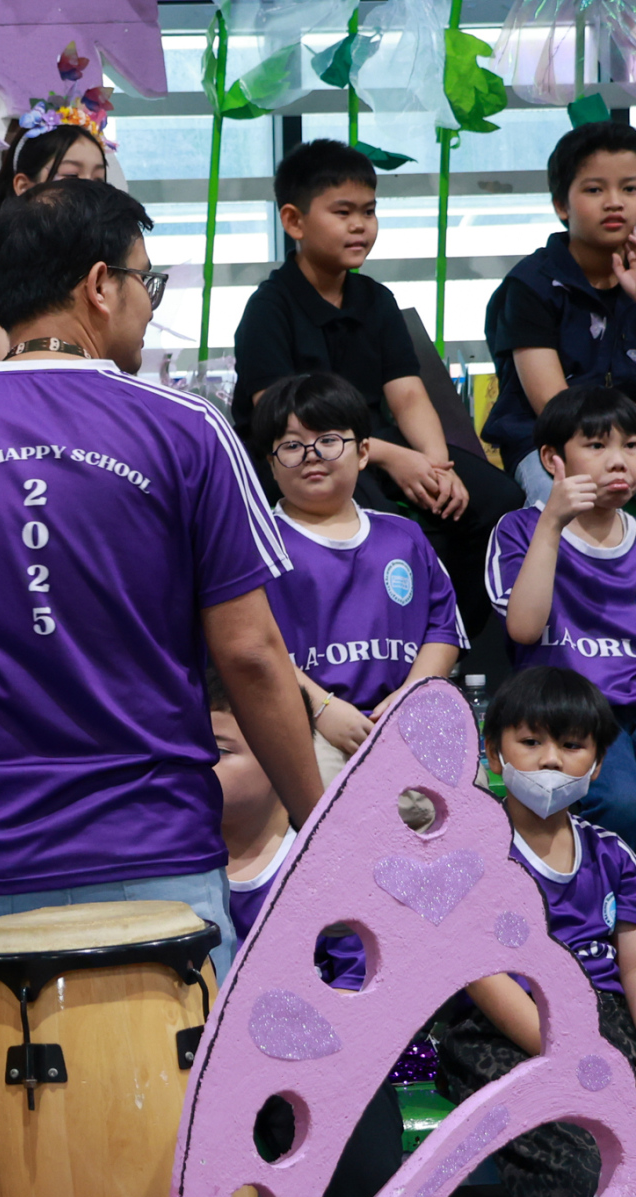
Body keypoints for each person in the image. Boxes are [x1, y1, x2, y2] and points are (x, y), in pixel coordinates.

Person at [0, 178, 324, 972]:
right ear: (100, 285)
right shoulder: (187, 432)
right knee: (173, 1062)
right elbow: (252, 655)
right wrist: (321, 828)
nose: (148, 306)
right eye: (144, 281)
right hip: (155, 860)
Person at [233, 139, 521, 637]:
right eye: (342, 212)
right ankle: (386, 644)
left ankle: (449, 640)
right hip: (308, 455)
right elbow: (278, 416)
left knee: (499, 500)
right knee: (384, 525)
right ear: (294, 221)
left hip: (374, 447)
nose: (360, 225)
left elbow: (408, 394)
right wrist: (394, 458)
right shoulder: (268, 308)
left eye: (368, 211)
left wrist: (436, 466)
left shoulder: (377, 300)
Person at [438, 666, 636, 1197]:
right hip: (502, 1032)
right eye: (530, 742)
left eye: (572, 745)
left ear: (597, 764)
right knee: (581, 1167)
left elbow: (633, 967)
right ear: (493, 754)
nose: (550, 760)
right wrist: (572, 1053)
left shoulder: (614, 856)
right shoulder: (471, 857)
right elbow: (482, 976)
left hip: (608, 1024)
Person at [210, 670, 400, 1197]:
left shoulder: (327, 870)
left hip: (319, 1066)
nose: (199, 767)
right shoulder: (173, 879)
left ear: (282, 750)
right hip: (206, 1073)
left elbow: (358, 985)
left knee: (360, 1163)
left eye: (218, 751)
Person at [251, 373, 465, 782]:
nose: (312, 455)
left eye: (328, 440)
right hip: (305, 723)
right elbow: (252, 644)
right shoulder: (257, 545)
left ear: (363, 451)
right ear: (271, 464)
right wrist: (322, 709)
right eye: (292, 446)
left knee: (462, 796)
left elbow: (443, 629)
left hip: (407, 719)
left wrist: (411, 699)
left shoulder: (404, 536)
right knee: (325, 804)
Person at [488, 384, 636, 845]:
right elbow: (524, 628)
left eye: (631, 446)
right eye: (597, 445)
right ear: (553, 459)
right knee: (622, 802)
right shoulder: (520, 529)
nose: (619, 461)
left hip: (630, 705)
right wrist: (552, 523)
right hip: (566, 713)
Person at [482, 121, 636, 506]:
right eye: (594, 189)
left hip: (631, 439)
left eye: (630, 189)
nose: (614, 202)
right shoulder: (531, 285)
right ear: (561, 205)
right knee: (561, 498)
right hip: (551, 441)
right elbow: (554, 409)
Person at [0, 123, 109, 365]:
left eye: (98, 180)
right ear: (24, 186)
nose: (89, 189)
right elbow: (15, 370)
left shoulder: (107, 264)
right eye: (71, 176)